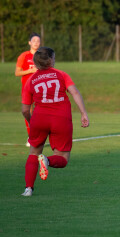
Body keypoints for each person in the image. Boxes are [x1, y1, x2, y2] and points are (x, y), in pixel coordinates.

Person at [20, 47, 89, 197]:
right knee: (63, 158)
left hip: (39, 118)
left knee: (33, 153)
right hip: (60, 118)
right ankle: (47, 161)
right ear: (50, 60)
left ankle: (28, 189)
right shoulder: (61, 75)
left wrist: (32, 122)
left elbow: (25, 110)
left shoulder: (30, 80)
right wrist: (83, 113)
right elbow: (75, 92)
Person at [15, 32, 41, 146]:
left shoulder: (42, 56)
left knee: (40, 112)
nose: (36, 43)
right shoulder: (24, 56)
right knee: (28, 112)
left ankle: (41, 136)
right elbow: (17, 72)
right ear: (29, 42)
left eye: (38, 41)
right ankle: (31, 137)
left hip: (40, 88)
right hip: (27, 89)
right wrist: (30, 71)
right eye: (34, 40)